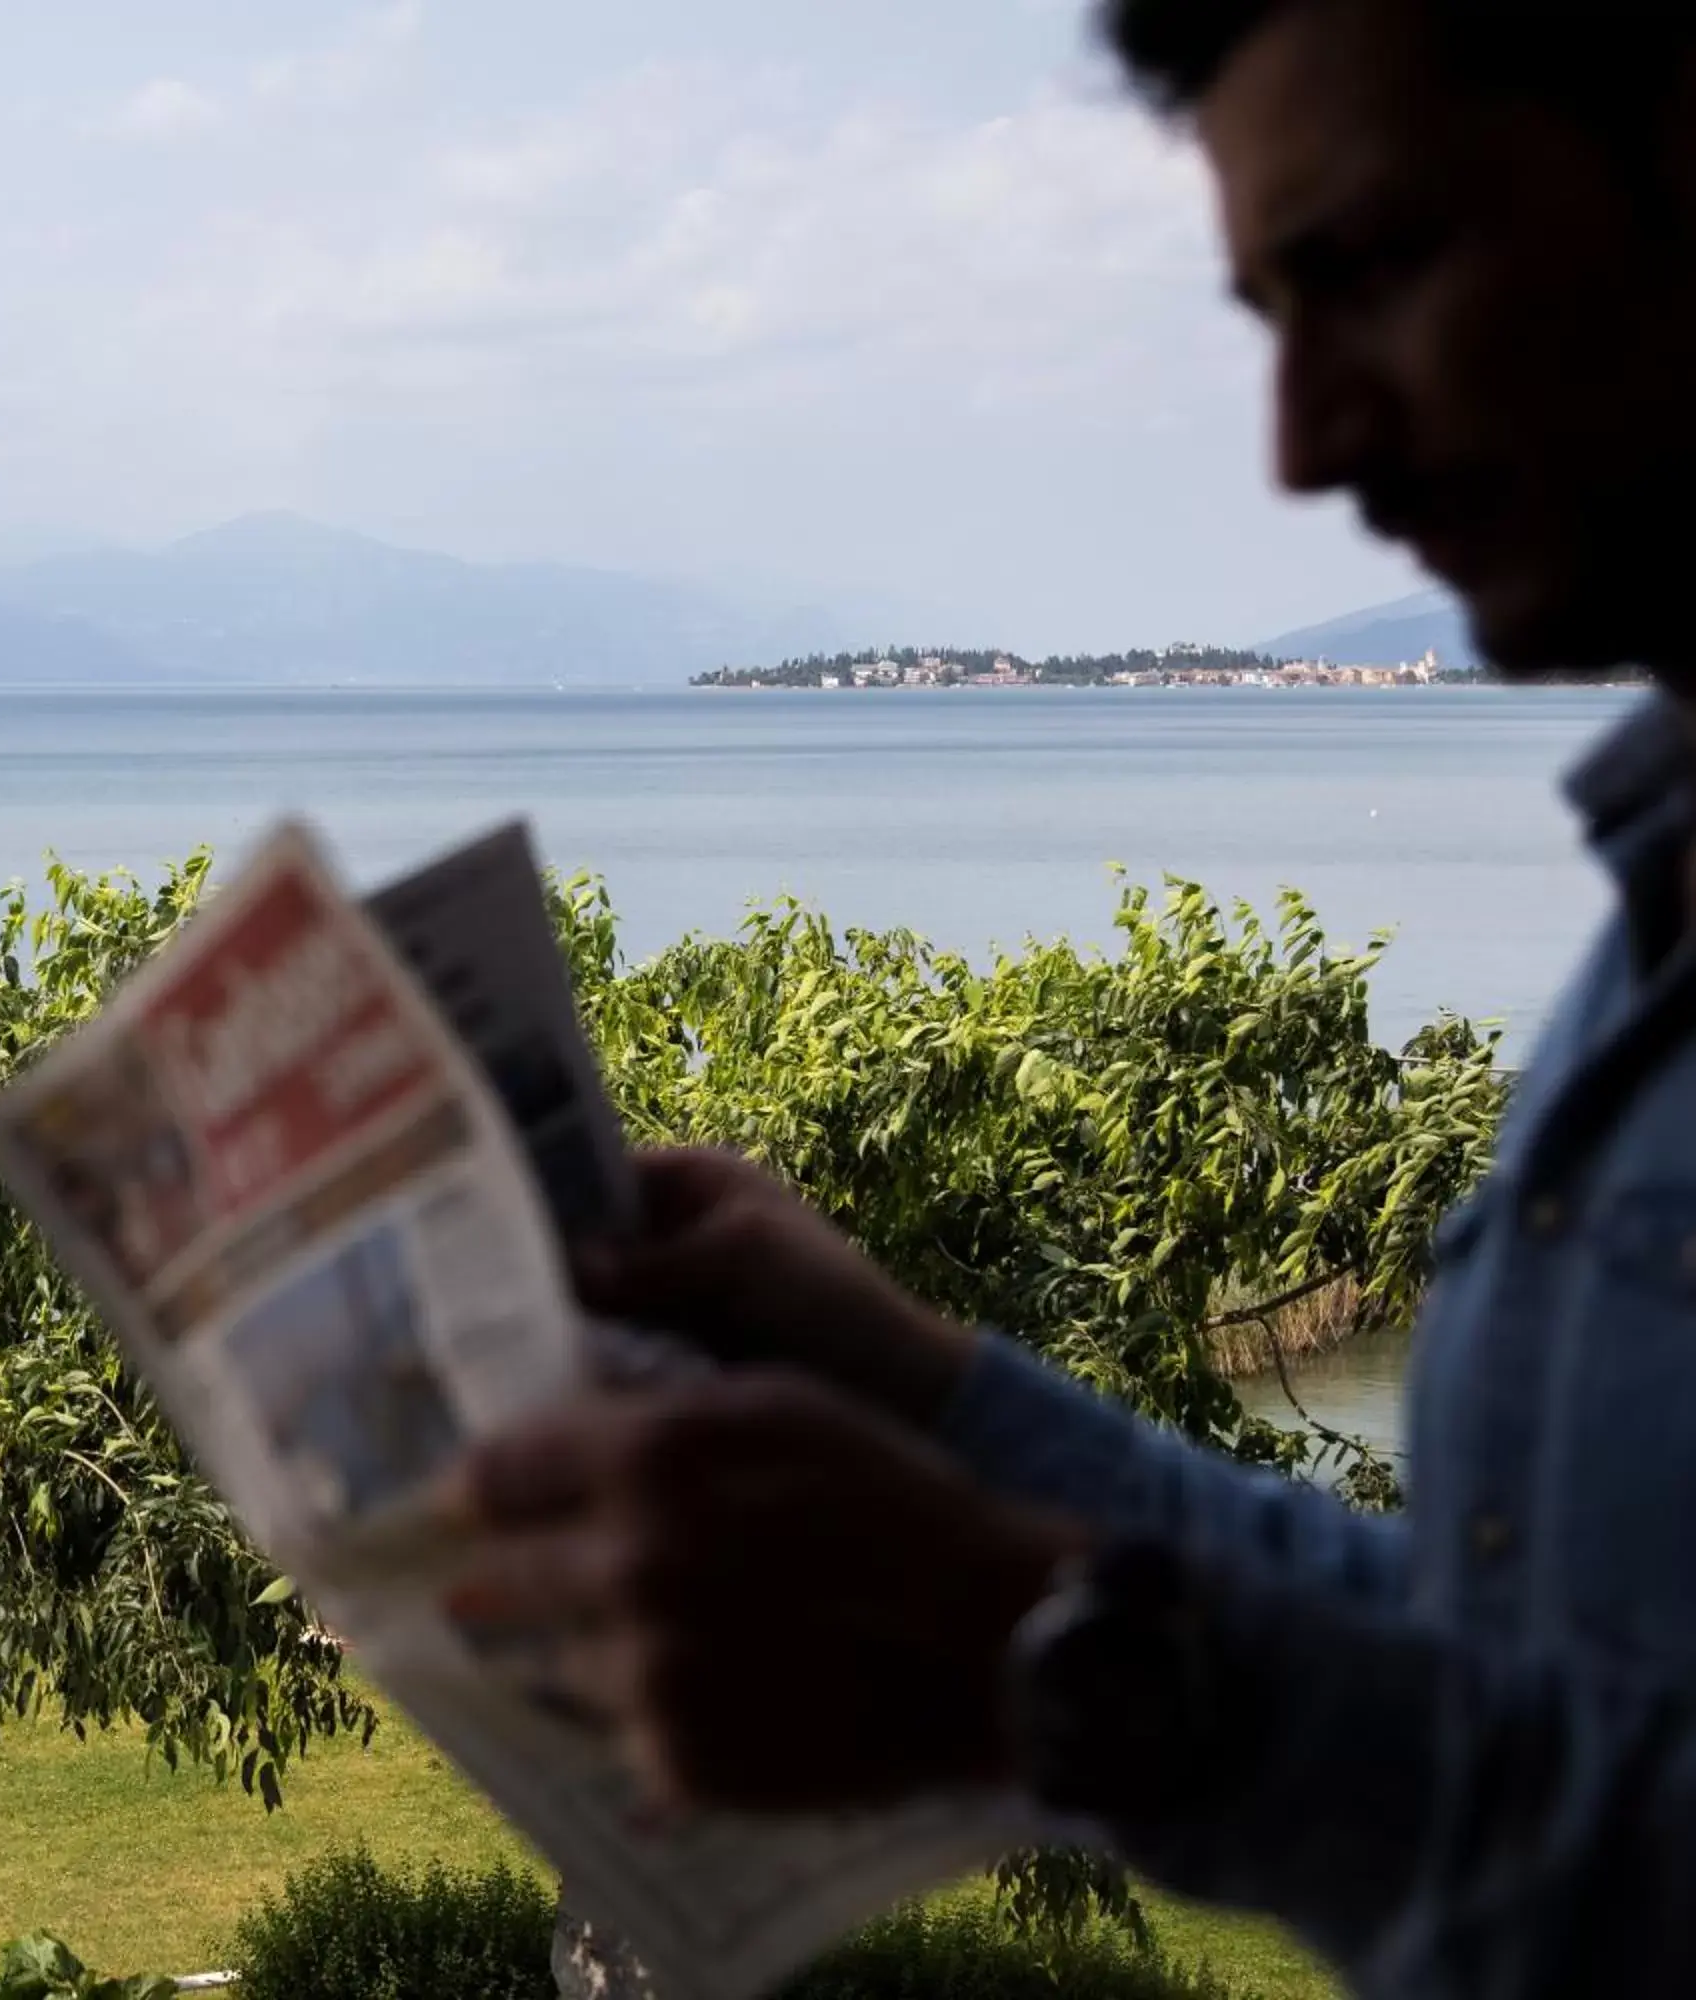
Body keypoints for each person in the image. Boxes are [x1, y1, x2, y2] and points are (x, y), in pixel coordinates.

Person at [446, 3, 1696, 1994]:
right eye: (1268, 313)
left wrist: (1049, 1666)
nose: (1300, 444)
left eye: (1372, 263)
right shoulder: (1655, 931)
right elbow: (1507, 1675)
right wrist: (923, 1384)